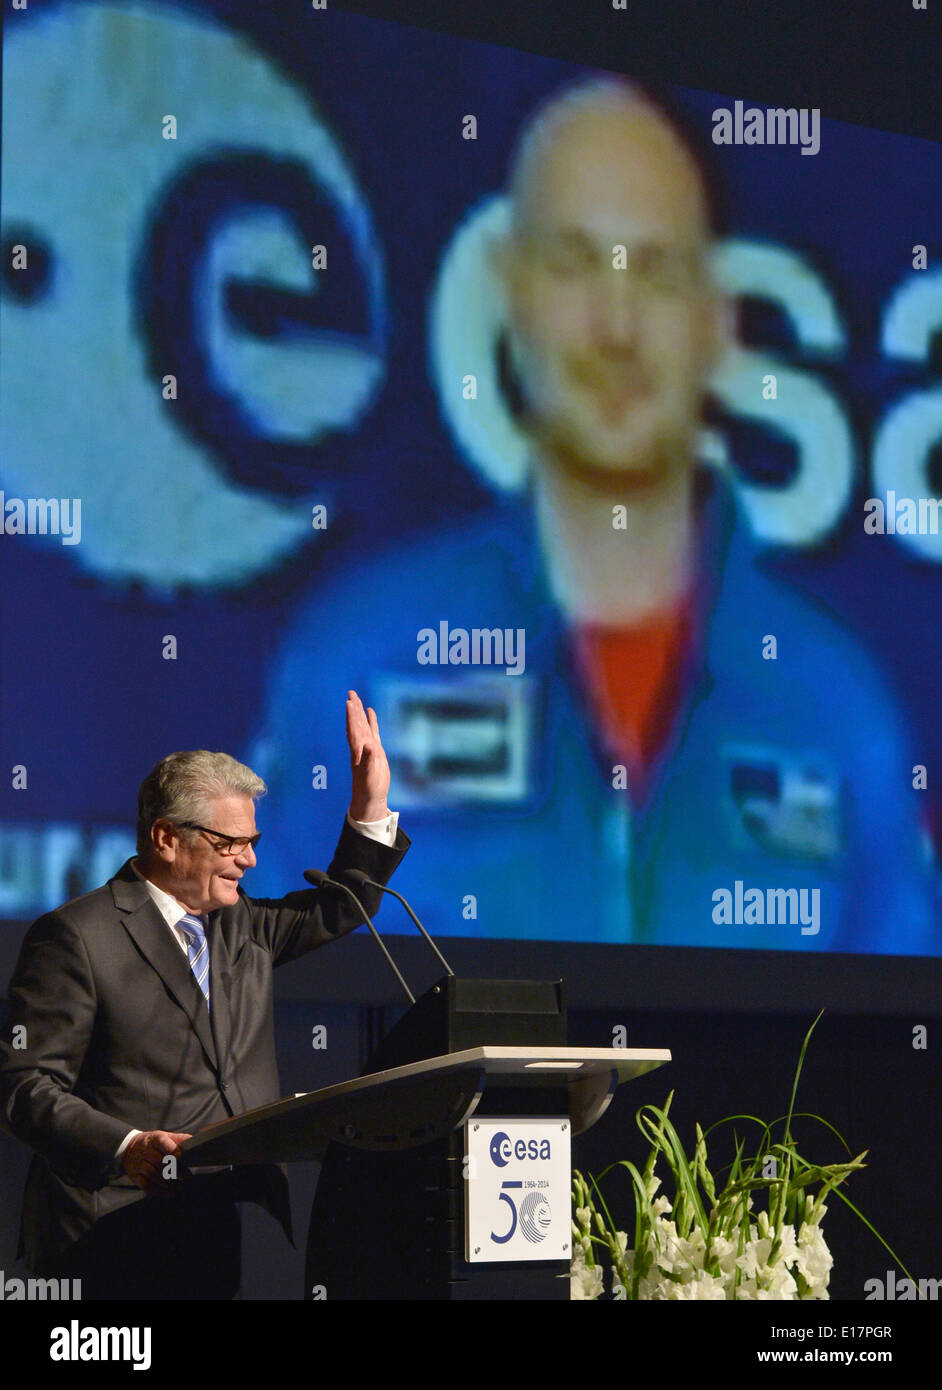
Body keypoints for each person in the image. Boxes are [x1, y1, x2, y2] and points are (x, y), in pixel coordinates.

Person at [251, 78, 936, 954]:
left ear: (715, 322)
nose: (616, 327)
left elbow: (901, 1069)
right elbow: (253, 1021)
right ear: (510, 288)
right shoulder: (359, 660)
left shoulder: (834, 703)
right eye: (576, 260)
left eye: (653, 270)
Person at [0, 691, 408, 1299]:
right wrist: (129, 1146)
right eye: (229, 843)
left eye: (253, 840)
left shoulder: (241, 924)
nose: (247, 859)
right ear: (166, 838)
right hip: (110, 1236)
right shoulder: (77, 937)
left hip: (223, 1222)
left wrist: (369, 803)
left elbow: (343, 904)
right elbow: (24, 1085)